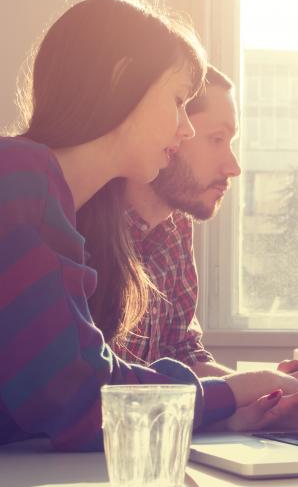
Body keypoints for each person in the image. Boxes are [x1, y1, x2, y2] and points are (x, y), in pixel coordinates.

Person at [0, 0, 298, 452]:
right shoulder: (17, 176)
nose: (184, 128)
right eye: (178, 101)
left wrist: (232, 415)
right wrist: (237, 391)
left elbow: (67, 394)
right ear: (121, 79)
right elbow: (78, 396)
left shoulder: (49, 196)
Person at [78, 65, 240, 376]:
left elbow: (181, 352)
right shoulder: (75, 222)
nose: (233, 167)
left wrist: (270, 389)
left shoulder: (175, 226)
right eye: (217, 139)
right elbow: (87, 384)